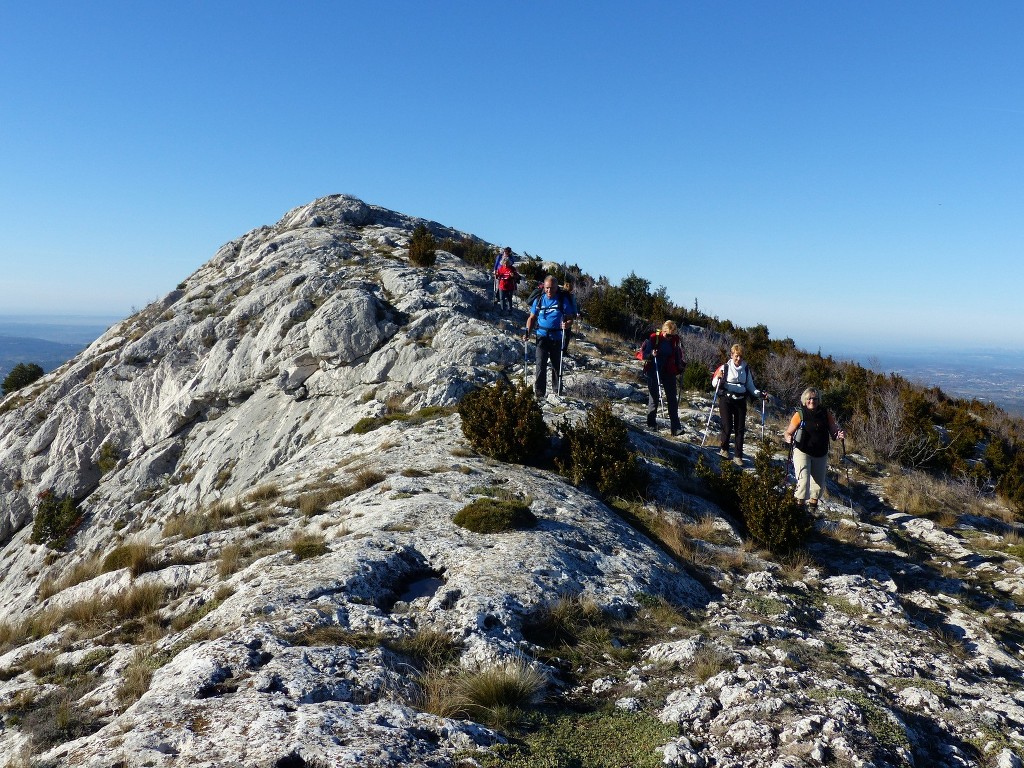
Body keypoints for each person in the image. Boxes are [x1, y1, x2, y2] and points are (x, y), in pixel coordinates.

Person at [784, 387, 845, 510]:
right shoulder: (800, 414)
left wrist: (838, 435)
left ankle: (812, 510)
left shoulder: (825, 413)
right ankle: (799, 511)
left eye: (815, 399)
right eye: (809, 398)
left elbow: (833, 430)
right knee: (803, 481)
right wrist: (788, 438)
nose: (812, 401)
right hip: (802, 451)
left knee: (818, 485)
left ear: (819, 400)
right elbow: (788, 433)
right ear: (804, 400)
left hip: (820, 453)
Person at [711, 344, 768, 465]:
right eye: (736, 356)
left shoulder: (746, 369)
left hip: (741, 400)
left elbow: (750, 387)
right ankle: (724, 449)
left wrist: (760, 394)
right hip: (726, 400)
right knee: (727, 425)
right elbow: (714, 383)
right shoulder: (724, 367)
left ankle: (738, 456)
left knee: (740, 428)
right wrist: (718, 378)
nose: (738, 359)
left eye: (741, 356)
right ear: (732, 355)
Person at [525, 275, 576, 397]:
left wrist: (567, 325)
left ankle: (557, 391)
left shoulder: (562, 300)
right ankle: (539, 393)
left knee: (556, 365)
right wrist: (527, 332)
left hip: (557, 337)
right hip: (541, 336)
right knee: (540, 365)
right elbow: (532, 318)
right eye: (547, 288)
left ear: (556, 288)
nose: (549, 291)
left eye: (552, 288)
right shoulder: (539, 299)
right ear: (544, 287)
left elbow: (570, 318)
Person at [640, 321, 684, 435]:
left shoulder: (674, 340)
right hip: (654, 370)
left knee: (672, 400)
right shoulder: (654, 338)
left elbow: (677, 354)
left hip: (668, 371)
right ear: (663, 331)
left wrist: (680, 365)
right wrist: (651, 354)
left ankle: (676, 428)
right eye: (668, 335)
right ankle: (651, 424)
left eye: (672, 335)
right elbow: (644, 354)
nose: (670, 337)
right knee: (654, 397)